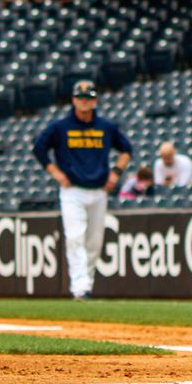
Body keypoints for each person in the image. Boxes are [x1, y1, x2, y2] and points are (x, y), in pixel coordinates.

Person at [32, 80, 132, 300]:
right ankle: (80, 288)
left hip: (99, 190)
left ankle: (86, 283)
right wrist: (56, 173)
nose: (84, 101)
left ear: (95, 101)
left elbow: (126, 150)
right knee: (75, 237)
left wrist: (115, 172)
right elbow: (39, 149)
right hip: (73, 191)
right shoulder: (60, 127)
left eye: (88, 98)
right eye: (80, 98)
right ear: (73, 100)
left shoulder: (106, 126)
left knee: (94, 241)